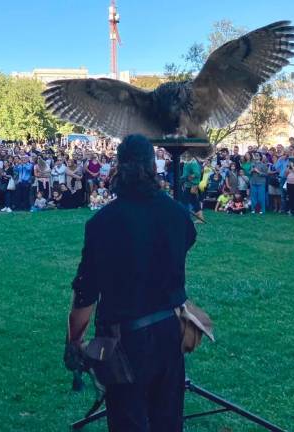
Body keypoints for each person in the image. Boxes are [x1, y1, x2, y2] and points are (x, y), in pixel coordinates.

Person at [65, 134, 195, 432]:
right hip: (168, 333)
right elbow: (187, 240)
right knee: (167, 422)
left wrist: (73, 341)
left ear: (117, 167)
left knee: (128, 423)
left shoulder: (103, 223)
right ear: (154, 166)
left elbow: (86, 294)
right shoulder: (177, 214)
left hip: (124, 341)